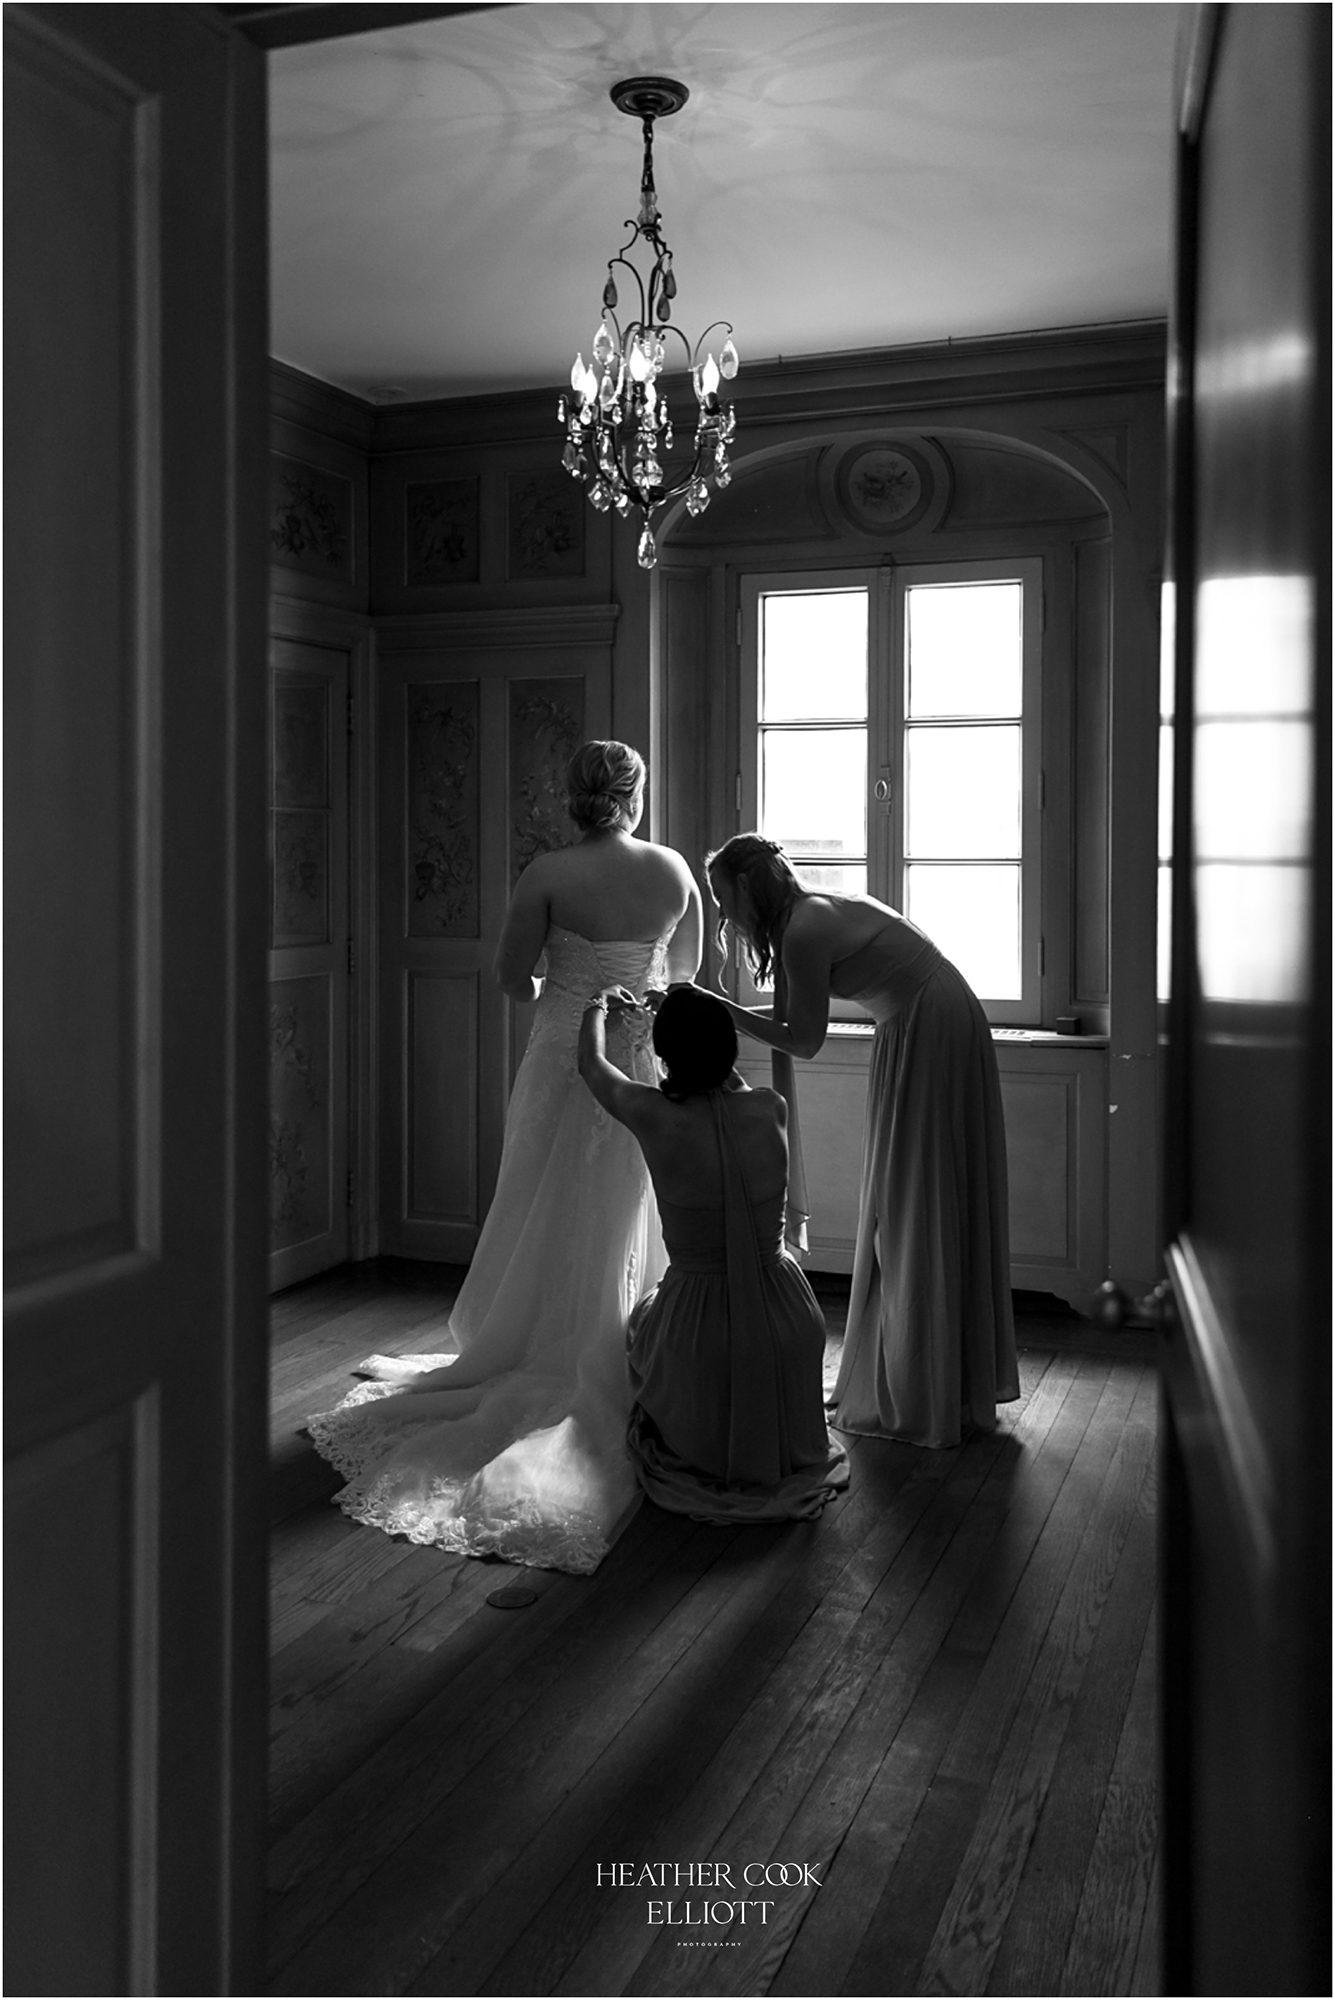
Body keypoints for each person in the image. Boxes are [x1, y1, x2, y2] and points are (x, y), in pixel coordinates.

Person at [305, 741, 703, 1574]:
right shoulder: (672, 869)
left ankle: (539, 1341)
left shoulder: (549, 872)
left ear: (572, 797)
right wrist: (630, 994)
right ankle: (640, 1344)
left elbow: (509, 978)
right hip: (642, 1054)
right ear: (635, 795)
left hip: (566, 1051)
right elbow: (687, 972)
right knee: (634, 1200)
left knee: (545, 1196)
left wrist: (567, 989)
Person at [700, 832, 1018, 1450]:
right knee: (907, 1198)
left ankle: (926, 1383)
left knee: (917, 1197)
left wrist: (719, 1009)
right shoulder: (801, 920)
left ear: (746, 886)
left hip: (931, 1022)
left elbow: (804, 1040)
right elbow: (795, 1027)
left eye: (721, 896)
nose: (721, 913)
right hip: (913, 1022)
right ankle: (925, 1373)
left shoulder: (805, 926)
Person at [578, 982, 849, 1521]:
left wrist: (598, 1006)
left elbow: (592, 1067)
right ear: (730, 1051)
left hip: (702, 1333)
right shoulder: (770, 1108)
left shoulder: (649, 1112)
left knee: (640, 1322)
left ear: (663, 1054)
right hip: (789, 1320)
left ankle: (699, 1431)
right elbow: (728, 1094)